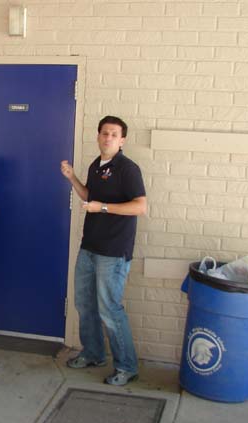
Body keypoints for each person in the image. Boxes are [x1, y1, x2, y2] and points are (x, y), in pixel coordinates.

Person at [60, 115, 147, 386]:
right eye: (104, 133)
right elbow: (90, 197)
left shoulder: (128, 169)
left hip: (114, 251)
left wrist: (104, 208)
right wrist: (72, 178)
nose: (108, 137)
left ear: (122, 141)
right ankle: (93, 353)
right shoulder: (96, 166)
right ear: (98, 136)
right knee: (84, 304)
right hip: (89, 247)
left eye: (113, 134)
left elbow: (140, 206)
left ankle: (127, 367)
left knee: (109, 309)